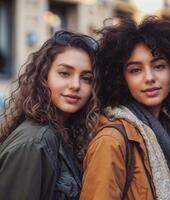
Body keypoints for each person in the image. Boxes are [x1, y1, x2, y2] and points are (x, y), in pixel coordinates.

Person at [80, 17, 170, 200]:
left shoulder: (168, 131)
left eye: (159, 66)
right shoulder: (111, 141)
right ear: (121, 78)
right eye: (135, 70)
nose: (149, 77)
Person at [0, 30, 99, 200]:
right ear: (44, 76)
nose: (75, 85)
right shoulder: (35, 142)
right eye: (64, 73)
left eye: (86, 78)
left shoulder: (64, 133)